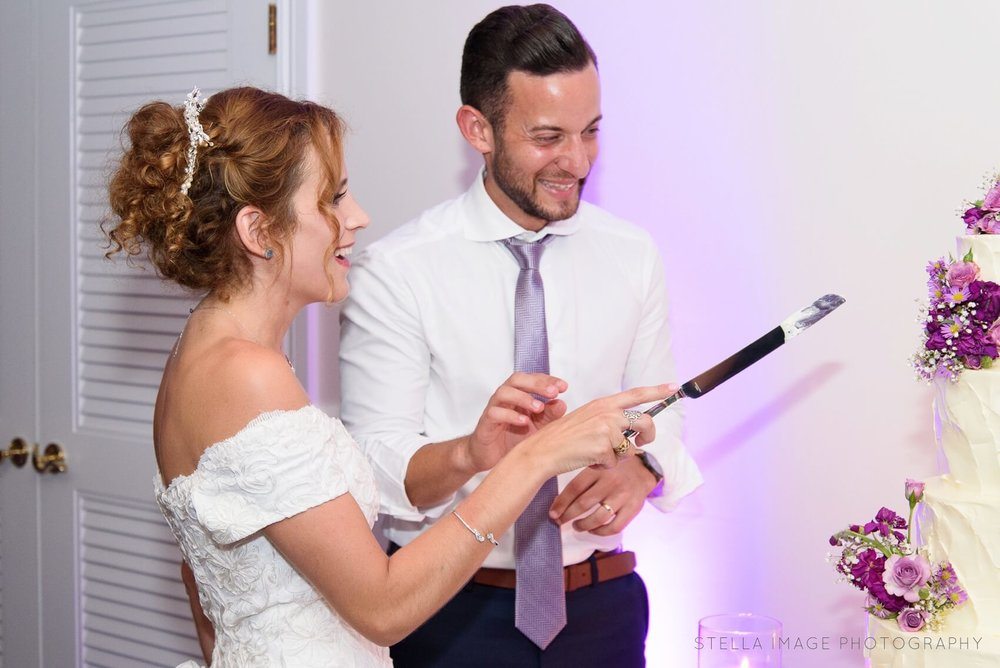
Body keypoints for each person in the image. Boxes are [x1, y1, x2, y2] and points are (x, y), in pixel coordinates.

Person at [103, 85, 667, 667]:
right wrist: (536, 458)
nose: (358, 218)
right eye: (334, 199)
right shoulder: (248, 374)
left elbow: (202, 580)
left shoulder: (201, 349)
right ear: (258, 231)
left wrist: (473, 454)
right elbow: (382, 607)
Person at [339, 5, 703, 667]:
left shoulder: (633, 254)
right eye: (547, 136)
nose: (577, 160)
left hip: (604, 608)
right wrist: (473, 452)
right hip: (450, 617)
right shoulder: (396, 271)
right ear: (478, 129)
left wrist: (643, 468)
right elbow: (374, 472)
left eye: (590, 131)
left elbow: (663, 415)